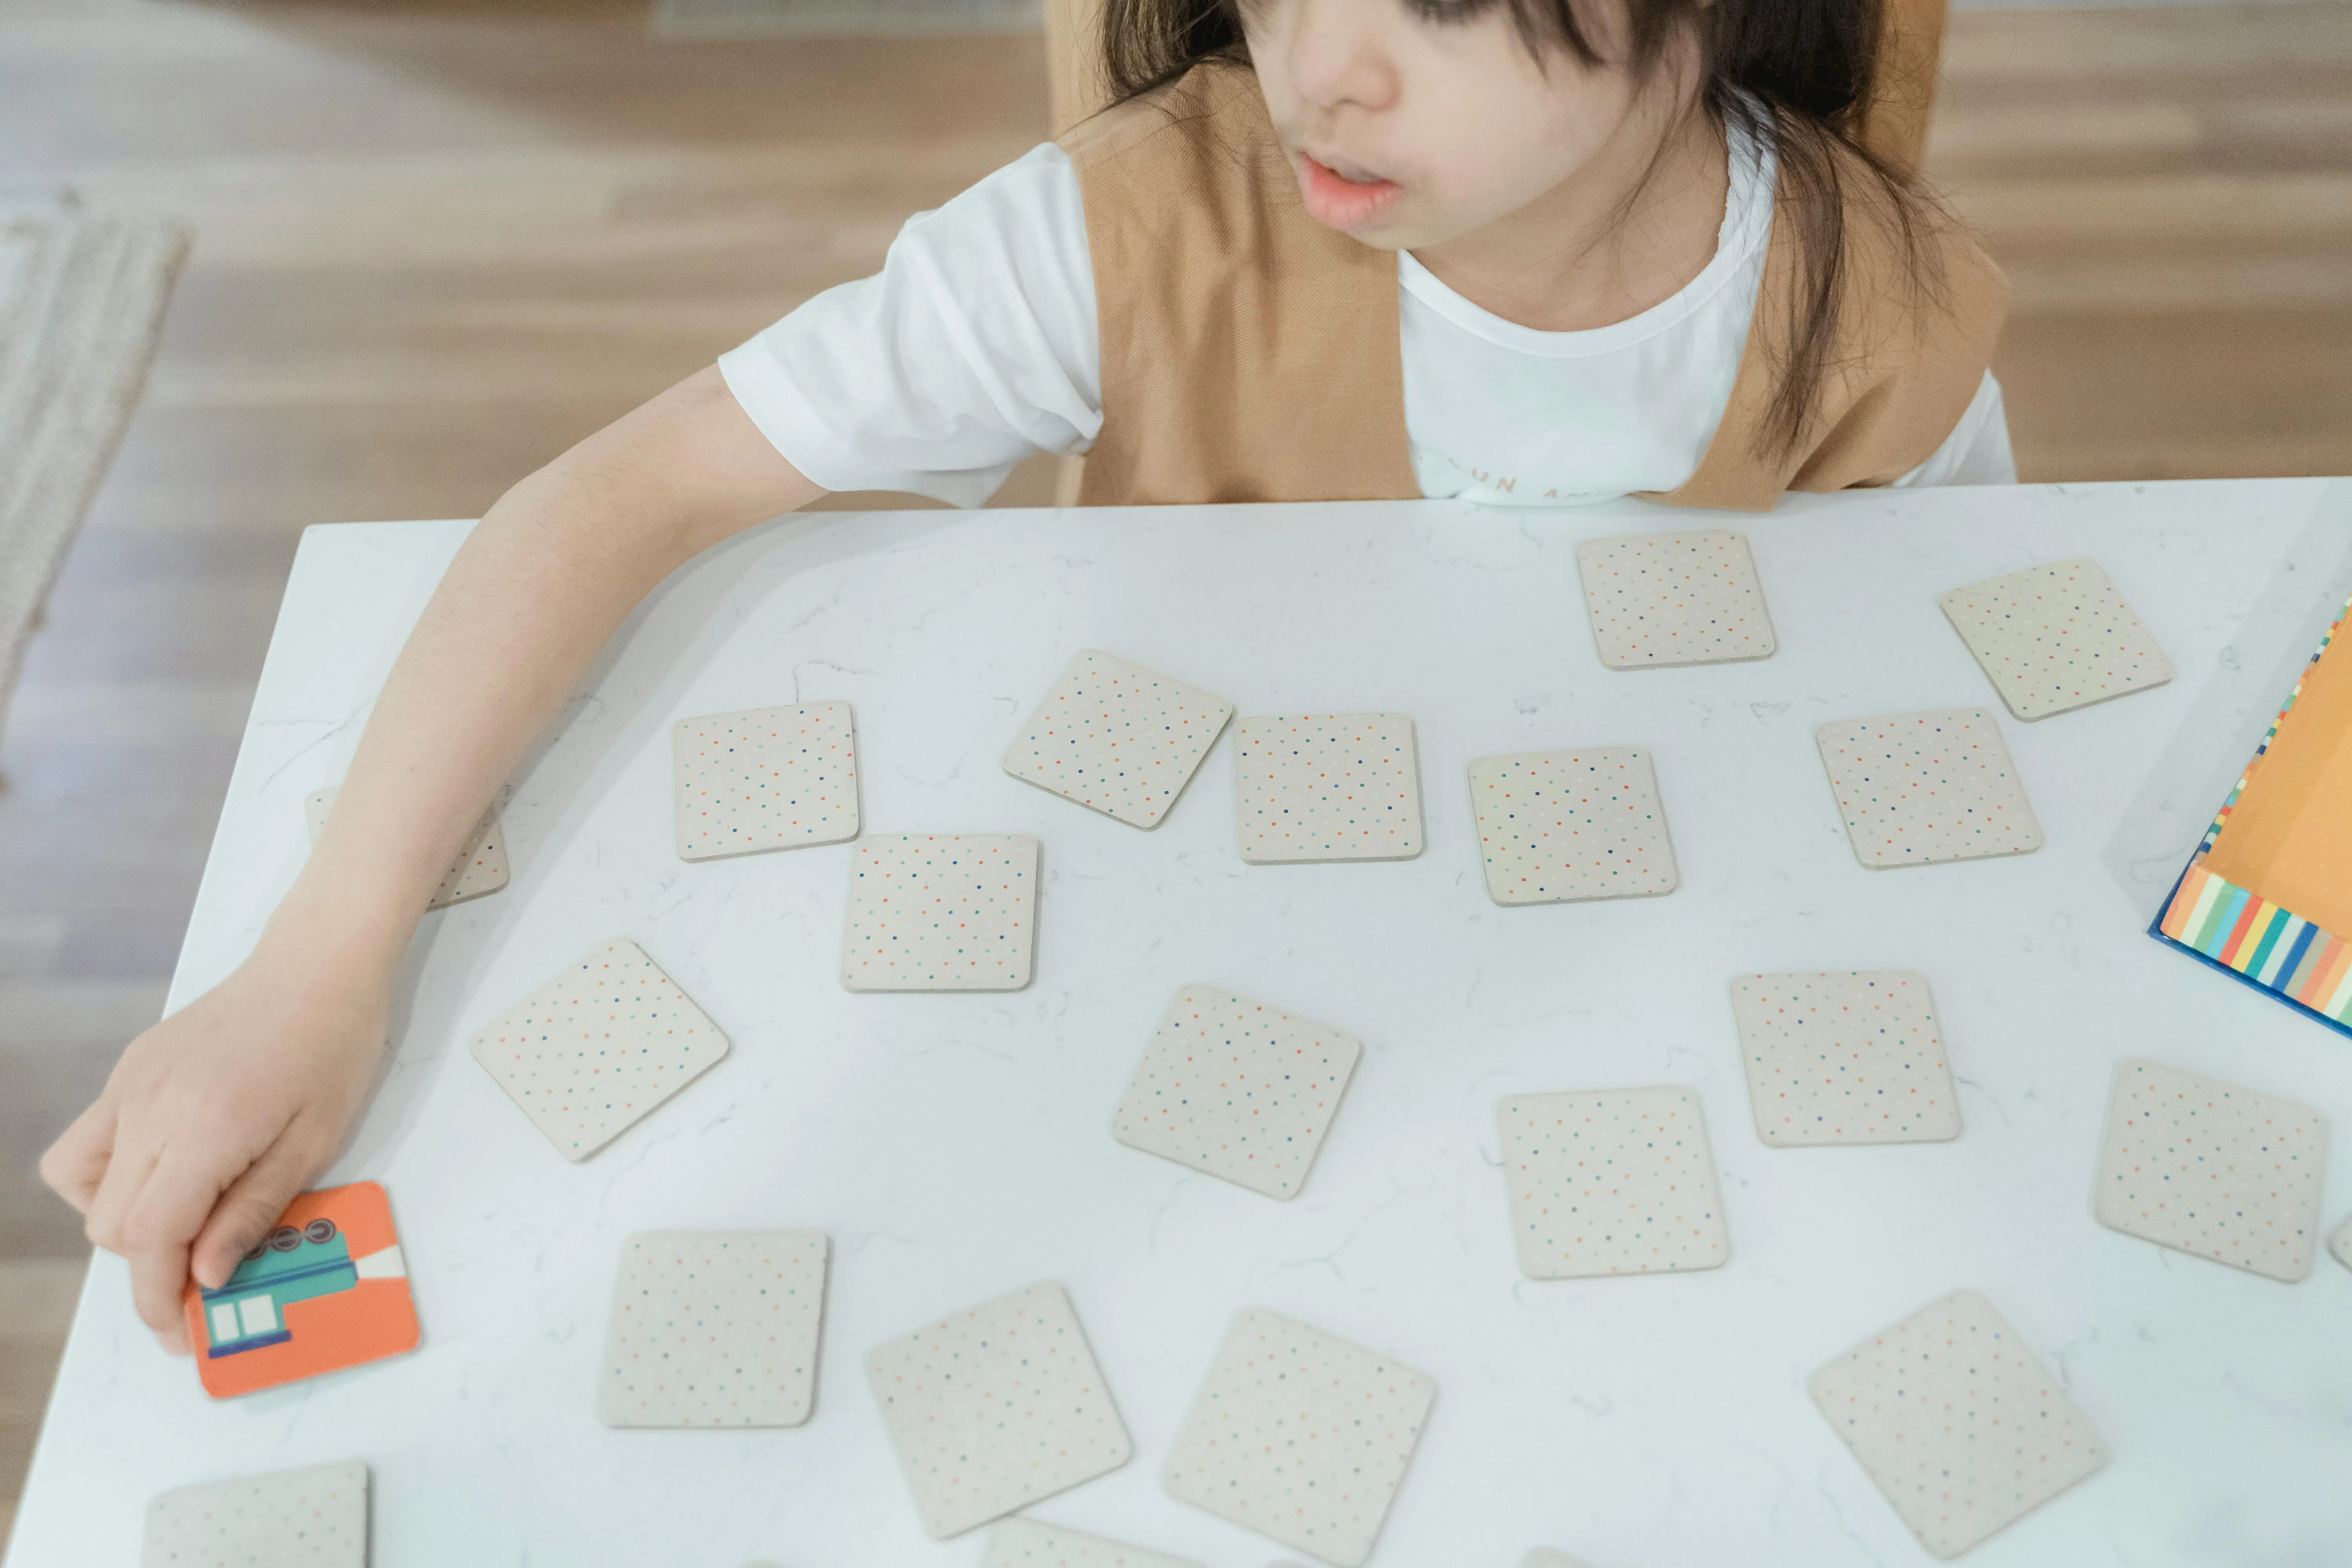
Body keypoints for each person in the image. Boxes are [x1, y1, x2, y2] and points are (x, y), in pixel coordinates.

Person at [44, 0, 2013, 1352]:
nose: (1320, 67)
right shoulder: (1131, 229)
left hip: (1594, 1065)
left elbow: (1947, 683)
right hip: (1134, 1044)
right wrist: (316, 953)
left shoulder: (1876, 318)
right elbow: (612, 496)